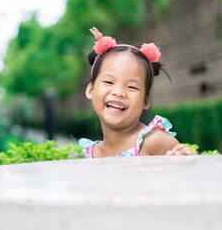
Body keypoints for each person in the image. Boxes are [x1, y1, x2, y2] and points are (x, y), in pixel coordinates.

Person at [79, 27, 194, 158]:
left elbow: (188, 174)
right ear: (90, 90)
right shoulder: (92, 152)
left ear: (146, 100)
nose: (119, 92)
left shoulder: (155, 142)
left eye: (132, 87)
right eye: (109, 82)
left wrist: (183, 160)